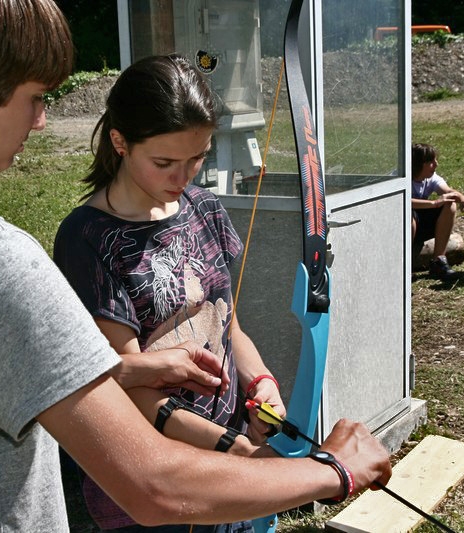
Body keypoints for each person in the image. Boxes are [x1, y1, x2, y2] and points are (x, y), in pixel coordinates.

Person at [0, 1, 392, 531]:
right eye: (37, 97)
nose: (41, 121)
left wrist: (128, 372)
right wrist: (332, 470)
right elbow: (153, 485)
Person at [53, 54, 290, 533]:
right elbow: (126, 384)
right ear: (120, 141)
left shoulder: (203, 207)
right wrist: (233, 451)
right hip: (154, 491)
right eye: (164, 162)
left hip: (226, 471)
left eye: (197, 158)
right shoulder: (89, 238)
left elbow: (229, 326)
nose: (183, 178)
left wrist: (262, 384)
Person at [411, 142, 464, 281]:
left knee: (449, 204)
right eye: (431, 162)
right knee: (407, 216)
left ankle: (438, 262)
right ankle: (403, 266)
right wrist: (433, 203)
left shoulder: (431, 178)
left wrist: (463, 199)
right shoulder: (401, 177)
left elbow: (449, 192)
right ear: (418, 164)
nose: (436, 164)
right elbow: (402, 201)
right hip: (401, 228)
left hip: (421, 227)